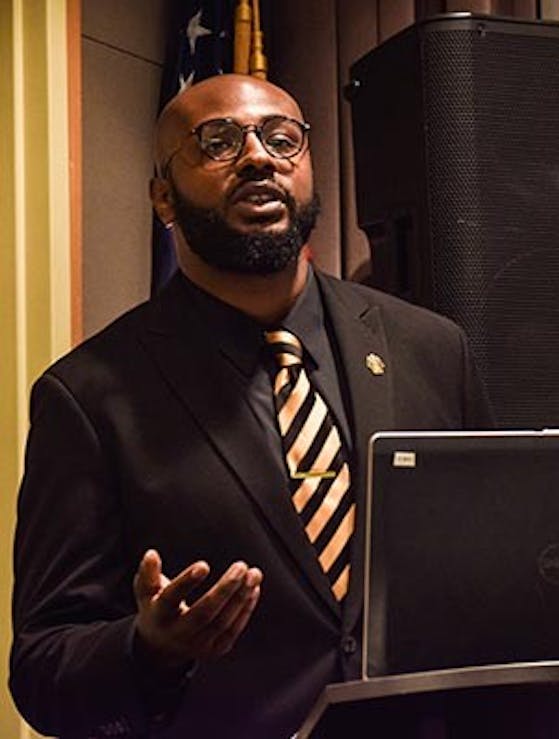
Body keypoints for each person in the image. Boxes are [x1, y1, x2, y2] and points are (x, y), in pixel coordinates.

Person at [10, 74, 492, 738]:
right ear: (162, 197)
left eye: (282, 137)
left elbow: (497, 578)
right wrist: (148, 649)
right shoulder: (90, 396)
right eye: (218, 141)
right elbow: (41, 667)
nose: (260, 156)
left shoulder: (434, 350)